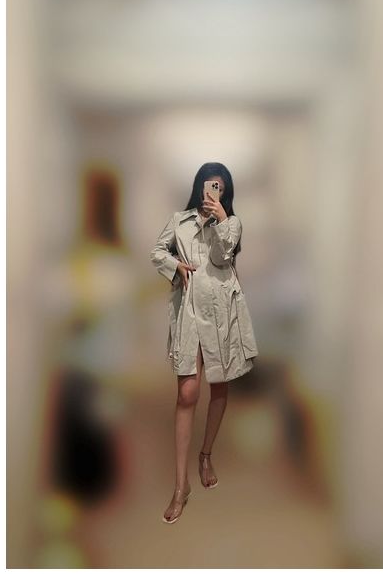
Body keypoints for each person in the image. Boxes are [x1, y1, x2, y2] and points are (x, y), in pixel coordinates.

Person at [150, 162, 259, 524]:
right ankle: (180, 486)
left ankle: (206, 454)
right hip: (189, 310)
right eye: (210, 186)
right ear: (199, 185)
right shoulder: (179, 221)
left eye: (221, 188)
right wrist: (175, 266)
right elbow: (157, 252)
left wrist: (222, 219)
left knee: (220, 384)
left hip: (221, 310)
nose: (214, 192)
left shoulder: (232, 223)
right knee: (187, 393)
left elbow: (221, 257)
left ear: (226, 193)